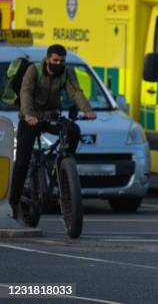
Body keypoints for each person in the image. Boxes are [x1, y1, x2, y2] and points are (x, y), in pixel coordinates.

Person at [9, 44, 96, 221]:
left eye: (62, 61)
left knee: (73, 130)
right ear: (48, 59)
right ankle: (13, 203)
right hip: (30, 117)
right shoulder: (34, 71)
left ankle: (65, 167)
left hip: (50, 117)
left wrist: (87, 109)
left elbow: (75, 92)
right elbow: (25, 92)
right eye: (55, 60)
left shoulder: (65, 73)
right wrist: (27, 114)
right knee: (22, 162)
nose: (59, 63)